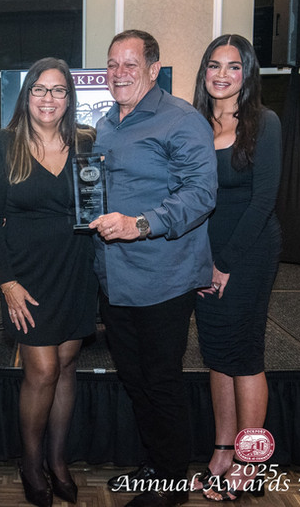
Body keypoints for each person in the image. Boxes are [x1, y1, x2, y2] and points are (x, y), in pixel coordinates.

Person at [89, 30, 217, 507]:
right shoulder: (106, 124)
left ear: (152, 68)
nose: (118, 73)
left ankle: (170, 483)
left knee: (161, 381)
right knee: (135, 379)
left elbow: (202, 194)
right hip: (115, 277)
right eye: (111, 64)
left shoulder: (181, 120)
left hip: (164, 275)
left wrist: (142, 224)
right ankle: (154, 465)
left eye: (129, 64)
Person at [0, 57, 98, 507]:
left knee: (67, 366)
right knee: (42, 369)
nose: (49, 99)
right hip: (26, 275)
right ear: (27, 96)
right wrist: (6, 282)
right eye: (40, 90)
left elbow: (96, 202)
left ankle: (58, 461)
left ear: (70, 98)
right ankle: (30, 463)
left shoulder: (87, 141)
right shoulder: (4, 144)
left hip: (76, 269)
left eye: (58, 91)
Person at [191, 34, 281, 502]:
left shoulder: (264, 122)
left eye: (233, 66)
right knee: (216, 354)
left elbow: (264, 201)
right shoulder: (193, 124)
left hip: (247, 254)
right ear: (203, 71)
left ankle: (250, 462)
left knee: (244, 356)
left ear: (246, 74)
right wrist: (201, 262)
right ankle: (222, 451)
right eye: (213, 65)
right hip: (203, 258)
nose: (221, 74)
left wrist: (223, 264)